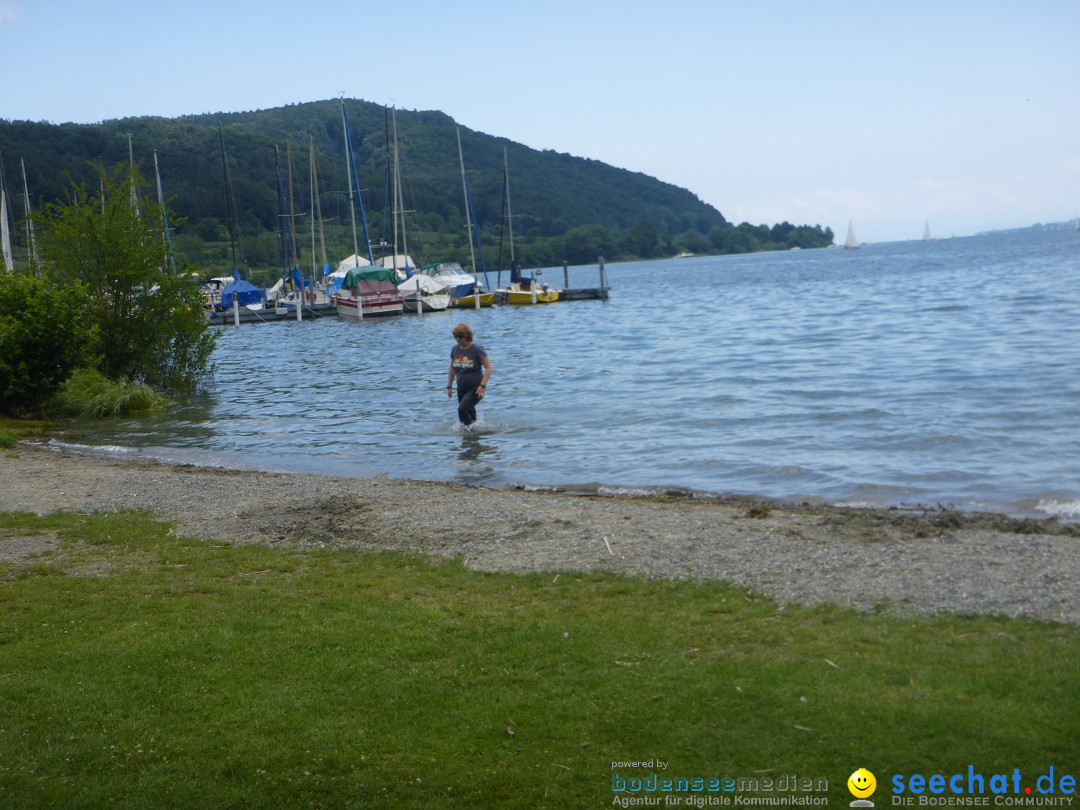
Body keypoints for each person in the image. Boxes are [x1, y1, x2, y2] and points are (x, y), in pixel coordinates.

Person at [447, 322, 492, 427]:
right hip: (461, 388)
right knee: (464, 418)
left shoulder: (477, 349)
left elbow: (489, 368)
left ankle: (471, 436)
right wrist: (449, 386)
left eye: (460, 337)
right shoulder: (455, 349)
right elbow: (452, 368)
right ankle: (473, 441)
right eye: (456, 337)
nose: (458, 339)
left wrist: (482, 386)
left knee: (462, 409)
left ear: (467, 336)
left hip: (475, 388)